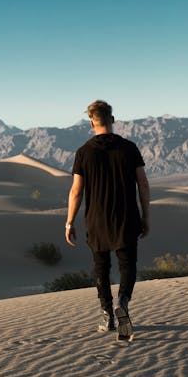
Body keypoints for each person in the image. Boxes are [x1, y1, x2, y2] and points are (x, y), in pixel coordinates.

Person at [65, 100, 150, 338]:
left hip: (96, 220)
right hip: (126, 218)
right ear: (112, 119)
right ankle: (122, 303)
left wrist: (69, 222)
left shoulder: (83, 152)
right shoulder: (129, 148)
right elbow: (143, 183)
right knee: (127, 264)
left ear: (92, 123)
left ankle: (106, 315)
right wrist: (147, 216)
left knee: (101, 267)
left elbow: (76, 191)